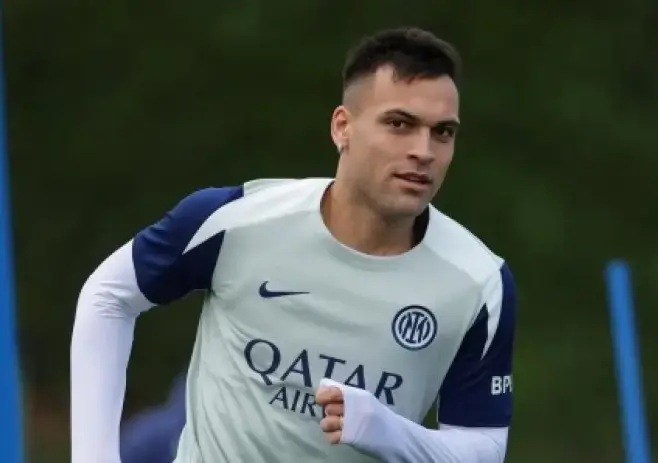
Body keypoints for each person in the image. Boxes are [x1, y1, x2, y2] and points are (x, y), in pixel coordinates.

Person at [71, 26, 517, 462]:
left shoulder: (480, 283)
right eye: (399, 124)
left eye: (443, 132)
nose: (424, 150)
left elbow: (484, 448)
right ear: (342, 127)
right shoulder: (236, 220)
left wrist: (390, 433)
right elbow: (107, 296)